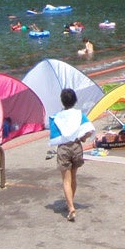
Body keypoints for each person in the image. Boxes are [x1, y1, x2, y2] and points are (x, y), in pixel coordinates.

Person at [48, 88, 95, 221]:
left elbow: (54, 137)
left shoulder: (57, 117)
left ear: (62, 101)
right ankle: (71, 202)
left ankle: (70, 206)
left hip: (64, 148)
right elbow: (89, 130)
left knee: (65, 180)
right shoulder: (79, 114)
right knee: (73, 177)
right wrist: (83, 138)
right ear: (75, 100)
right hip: (76, 146)